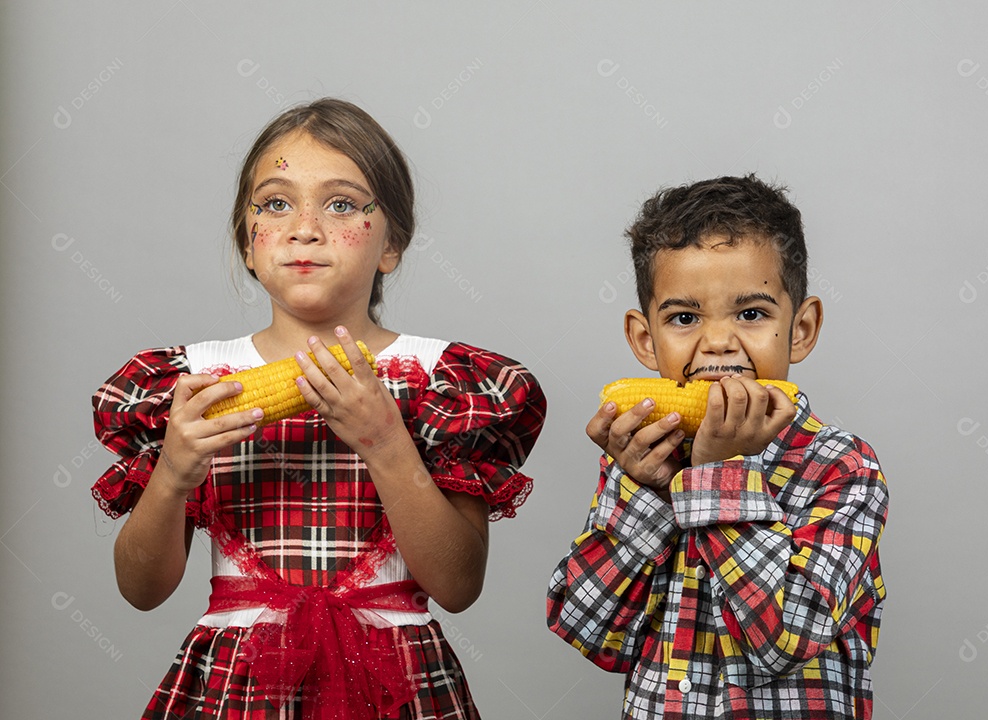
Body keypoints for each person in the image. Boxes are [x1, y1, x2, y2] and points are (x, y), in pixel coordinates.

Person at [92, 98, 546, 720]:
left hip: (395, 678)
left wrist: (386, 442)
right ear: (247, 242)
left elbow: (458, 585)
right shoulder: (190, 383)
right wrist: (171, 473)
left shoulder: (445, 383)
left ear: (392, 244)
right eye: (276, 204)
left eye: (342, 204)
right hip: (240, 682)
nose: (305, 228)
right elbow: (141, 591)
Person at [547, 175, 887, 719]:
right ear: (644, 339)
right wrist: (648, 492)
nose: (719, 342)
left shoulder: (843, 467)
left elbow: (785, 641)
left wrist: (717, 474)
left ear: (801, 329)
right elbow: (591, 630)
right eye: (684, 318)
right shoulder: (641, 461)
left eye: (751, 314)